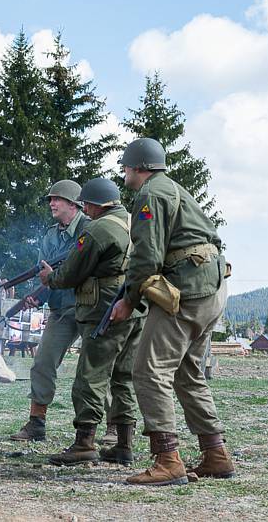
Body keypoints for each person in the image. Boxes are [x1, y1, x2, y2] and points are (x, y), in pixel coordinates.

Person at [110, 137, 235, 486]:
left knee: (148, 369)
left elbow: (145, 257)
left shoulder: (150, 194)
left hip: (186, 291)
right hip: (211, 288)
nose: (123, 173)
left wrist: (129, 301)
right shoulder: (175, 189)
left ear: (138, 167)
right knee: (187, 372)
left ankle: (167, 459)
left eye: (125, 167)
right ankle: (215, 453)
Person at [39, 177, 146, 466]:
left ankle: (84, 443)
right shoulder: (133, 222)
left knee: (91, 375)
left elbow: (72, 271)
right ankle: (124, 444)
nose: (85, 209)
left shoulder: (98, 229)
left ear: (95, 204)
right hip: (134, 306)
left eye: (86, 204)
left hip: (104, 308)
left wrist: (51, 278)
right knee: (122, 377)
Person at [9, 180, 89, 441]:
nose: (52, 204)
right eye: (51, 199)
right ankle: (36, 423)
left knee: (95, 369)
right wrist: (37, 297)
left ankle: (107, 430)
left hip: (90, 306)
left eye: (58, 199)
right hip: (61, 308)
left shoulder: (92, 229)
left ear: (73, 204)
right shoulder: (51, 235)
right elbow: (44, 274)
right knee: (42, 362)